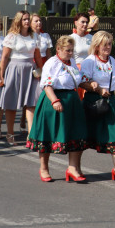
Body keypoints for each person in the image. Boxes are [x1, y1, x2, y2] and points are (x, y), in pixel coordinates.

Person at [27, 36, 88, 182]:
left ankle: (72, 168)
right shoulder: (51, 63)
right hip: (53, 100)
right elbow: (47, 85)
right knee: (47, 135)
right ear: (58, 49)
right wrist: (54, 100)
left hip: (72, 101)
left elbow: (78, 80)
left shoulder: (72, 62)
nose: (70, 53)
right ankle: (44, 168)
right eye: (67, 50)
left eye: (72, 50)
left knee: (76, 133)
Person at [80, 31, 115, 181]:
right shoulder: (90, 61)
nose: (108, 47)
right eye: (105, 44)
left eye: (110, 44)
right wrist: (96, 87)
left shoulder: (111, 60)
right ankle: (75, 168)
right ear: (97, 45)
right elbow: (81, 82)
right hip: (94, 101)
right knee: (85, 135)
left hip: (110, 100)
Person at [0, 12, 44, 145]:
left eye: (28, 19)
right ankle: (10, 133)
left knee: (32, 102)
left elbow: (38, 56)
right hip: (14, 69)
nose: (27, 21)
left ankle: (31, 133)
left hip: (30, 68)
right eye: (24, 19)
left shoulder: (34, 36)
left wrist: (42, 72)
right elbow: (5, 57)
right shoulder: (12, 36)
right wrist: (1, 75)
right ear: (19, 20)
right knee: (11, 103)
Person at [23, 14, 53, 131]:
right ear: (30, 23)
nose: (39, 23)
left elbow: (49, 52)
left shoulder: (45, 35)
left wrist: (50, 66)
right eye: (36, 21)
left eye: (40, 21)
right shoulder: (28, 36)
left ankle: (39, 122)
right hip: (32, 63)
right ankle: (26, 120)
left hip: (44, 64)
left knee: (42, 93)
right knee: (31, 94)